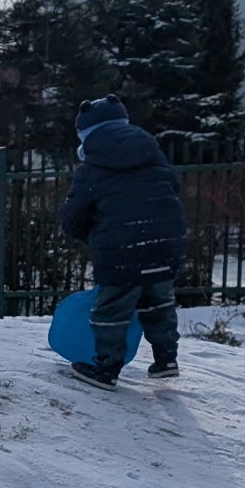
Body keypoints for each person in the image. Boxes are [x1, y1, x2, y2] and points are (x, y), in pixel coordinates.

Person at [59, 96, 187, 388]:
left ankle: (106, 368)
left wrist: (91, 236)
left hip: (121, 248)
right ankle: (166, 359)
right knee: (158, 302)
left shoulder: (92, 168)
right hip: (166, 242)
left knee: (111, 309)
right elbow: (172, 189)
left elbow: (73, 216)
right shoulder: (153, 154)